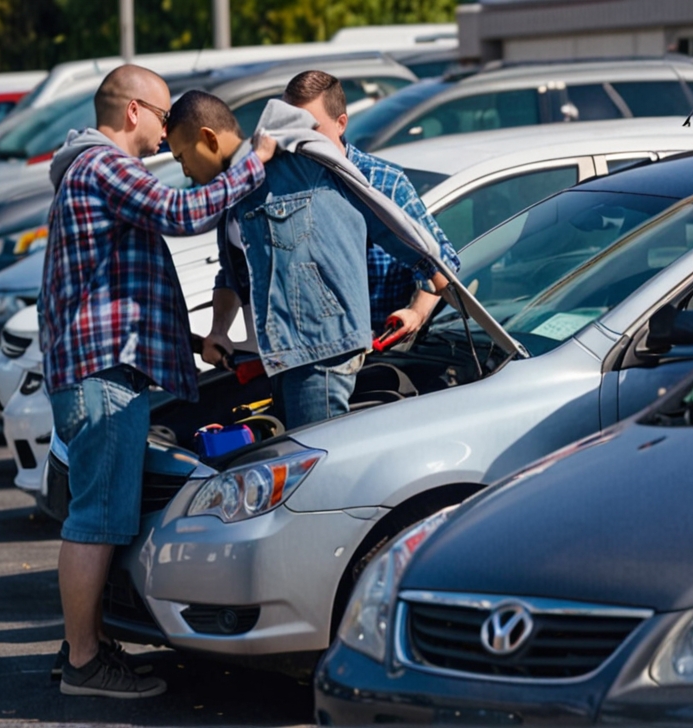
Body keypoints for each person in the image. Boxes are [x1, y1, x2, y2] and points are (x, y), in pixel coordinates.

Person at [39, 65, 275, 699]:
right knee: (96, 520)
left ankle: (81, 650)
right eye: (165, 116)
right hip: (102, 378)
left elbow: (119, 292)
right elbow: (180, 212)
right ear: (135, 112)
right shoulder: (104, 165)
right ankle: (86, 666)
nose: (168, 130)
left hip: (99, 370)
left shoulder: (89, 173)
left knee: (101, 515)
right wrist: (257, 159)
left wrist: (196, 343)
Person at [166, 91, 445, 430]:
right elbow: (232, 273)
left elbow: (382, 218)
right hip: (283, 355)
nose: (184, 170)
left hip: (321, 351)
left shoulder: (295, 164)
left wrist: (432, 273)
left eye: (182, 156)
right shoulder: (234, 191)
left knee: (321, 471)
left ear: (208, 138)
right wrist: (218, 332)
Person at [282, 70, 460, 340]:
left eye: (312, 129)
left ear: (341, 124)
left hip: (378, 349)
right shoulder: (283, 186)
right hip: (312, 349)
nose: (300, 140)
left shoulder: (382, 182)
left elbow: (442, 262)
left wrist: (415, 313)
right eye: (291, 128)